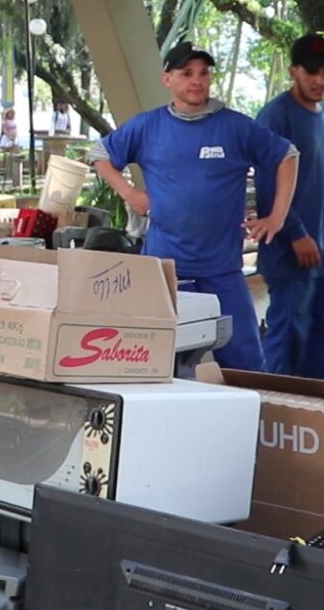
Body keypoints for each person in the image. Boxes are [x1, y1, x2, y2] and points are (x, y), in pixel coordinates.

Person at [93, 41, 299, 372]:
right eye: (186, 73)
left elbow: (287, 156)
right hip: (164, 269)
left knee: (245, 363)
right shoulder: (148, 126)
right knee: (152, 359)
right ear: (167, 79)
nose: (197, 80)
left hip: (222, 270)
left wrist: (277, 217)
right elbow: (101, 155)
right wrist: (131, 194)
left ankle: (252, 420)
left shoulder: (235, 126)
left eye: (203, 73)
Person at [255, 34, 324, 380]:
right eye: (311, 72)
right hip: (289, 247)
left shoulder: (322, 112)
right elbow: (267, 185)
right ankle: (281, 402)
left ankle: (318, 395)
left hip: (322, 244)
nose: (320, 80)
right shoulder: (276, 117)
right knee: (290, 332)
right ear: (294, 71)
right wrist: (295, 233)